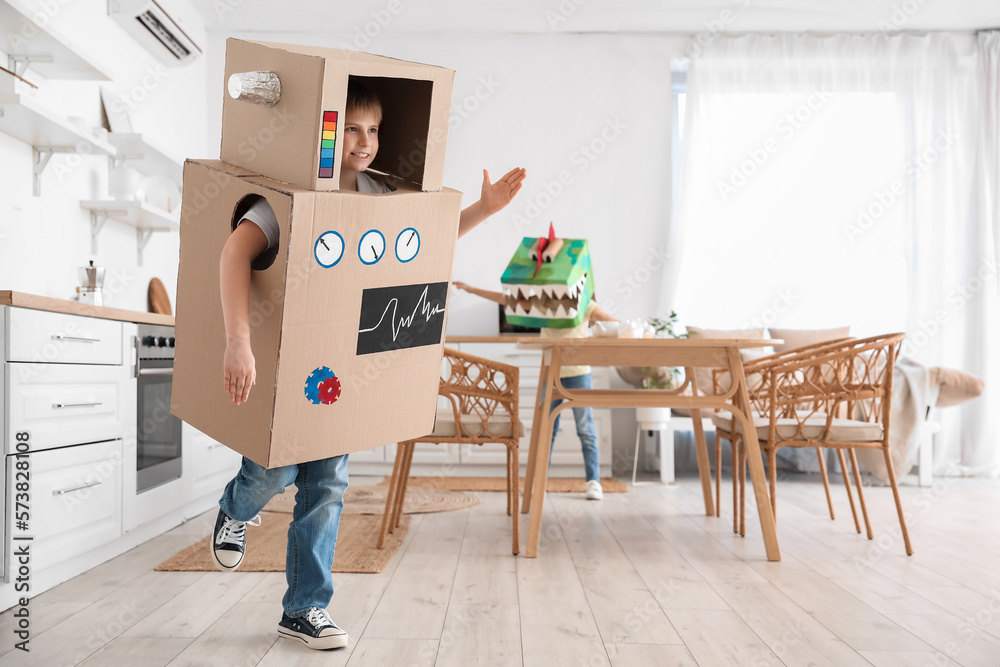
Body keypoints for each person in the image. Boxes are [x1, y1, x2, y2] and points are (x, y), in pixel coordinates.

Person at [211, 82, 526, 651]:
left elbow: (423, 241)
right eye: (349, 129)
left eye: (373, 130)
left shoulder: (383, 192)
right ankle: (236, 505)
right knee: (274, 473)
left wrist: (484, 210)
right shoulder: (285, 197)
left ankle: (305, 609)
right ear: (322, 133)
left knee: (328, 483)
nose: (363, 142)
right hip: (281, 363)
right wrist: (239, 342)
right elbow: (235, 253)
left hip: (342, 367)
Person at [452, 280, 617, 500]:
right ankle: (538, 483)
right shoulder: (545, 304)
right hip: (551, 375)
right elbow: (507, 300)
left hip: (579, 376)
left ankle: (593, 482)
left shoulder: (585, 305)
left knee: (586, 430)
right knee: (545, 432)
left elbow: (614, 323)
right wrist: (472, 289)